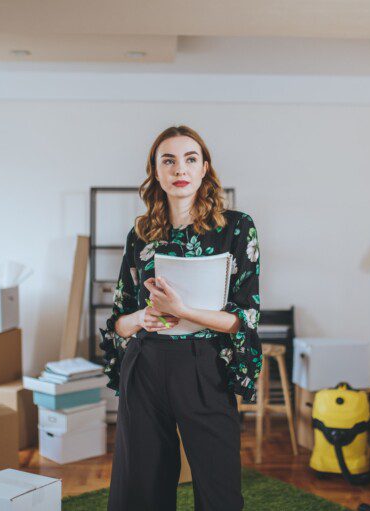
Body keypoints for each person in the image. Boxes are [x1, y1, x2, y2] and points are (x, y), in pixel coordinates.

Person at [99, 125, 262, 511]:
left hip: (205, 366)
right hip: (146, 364)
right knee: (139, 489)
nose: (179, 169)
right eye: (167, 160)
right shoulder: (140, 235)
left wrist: (181, 311)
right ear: (156, 172)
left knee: (219, 488)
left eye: (190, 159)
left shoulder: (237, 228)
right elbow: (118, 324)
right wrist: (142, 316)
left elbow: (244, 319)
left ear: (205, 168)